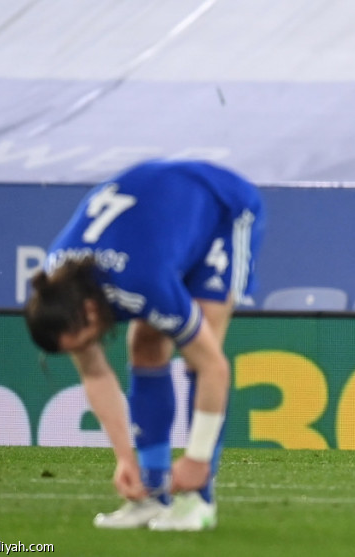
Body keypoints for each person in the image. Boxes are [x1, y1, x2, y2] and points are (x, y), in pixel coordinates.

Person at [24, 159, 265, 530]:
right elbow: (94, 374)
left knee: (201, 350)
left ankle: (197, 497)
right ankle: (150, 494)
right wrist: (126, 459)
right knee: (145, 344)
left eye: (87, 341)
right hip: (158, 225)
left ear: (91, 310)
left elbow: (215, 368)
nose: (88, 349)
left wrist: (196, 459)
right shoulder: (59, 287)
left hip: (221, 206)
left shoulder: (141, 281)